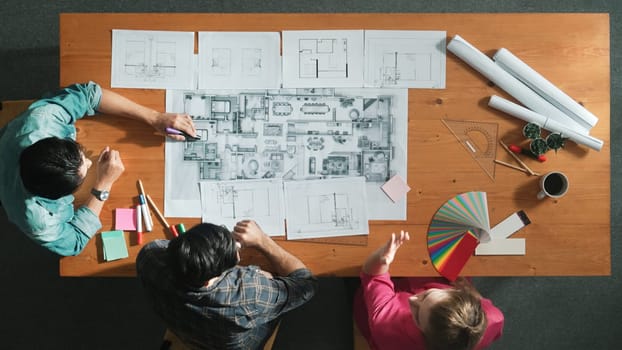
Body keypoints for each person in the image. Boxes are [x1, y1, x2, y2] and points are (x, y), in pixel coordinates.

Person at [0, 81, 196, 256]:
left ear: (52, 141)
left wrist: (154, 117)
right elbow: (74, 242)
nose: (89, 162)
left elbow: (90, 94)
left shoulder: (43, 120)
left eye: (80, 153)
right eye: (81, 178)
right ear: (57, 196)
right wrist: (103, 186)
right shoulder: (37, 219)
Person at [136, 220, 318, 350]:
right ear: (209, 279)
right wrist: (263, 241)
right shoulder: (248, 295)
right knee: (273, 276)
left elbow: (163, 247)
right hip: (234, 343)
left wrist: (204, 250)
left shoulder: (149, 256)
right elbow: (305, 285)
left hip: (182, 327)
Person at [354, 231, 504, 350]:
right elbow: (495, 315)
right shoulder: (488, 321)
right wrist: (471, 291)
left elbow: (372, 276)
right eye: (427, 295)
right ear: (457, 293)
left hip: (381, 308)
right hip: (441, 282)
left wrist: (382, 259)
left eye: (418, 316)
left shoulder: (388, 325)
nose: (412, 300)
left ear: (426, 335)